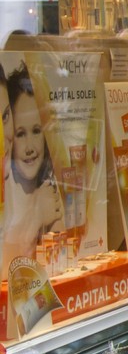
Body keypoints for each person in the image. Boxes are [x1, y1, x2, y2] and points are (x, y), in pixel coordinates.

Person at [3, 66, 62, 267]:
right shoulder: (8, 193)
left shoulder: (51, 190)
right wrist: (36, 215)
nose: (30, 148)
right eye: (20, 134)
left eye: (36, 131)